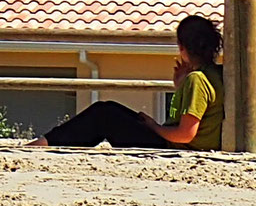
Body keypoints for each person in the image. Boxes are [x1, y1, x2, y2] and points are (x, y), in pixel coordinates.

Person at [32, 15, 224, 151]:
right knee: (109, 110)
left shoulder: (197, 79)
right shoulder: (216, 74)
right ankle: (48, 142)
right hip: (178, 143)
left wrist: (153, 126)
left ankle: (46, 144)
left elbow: (185, 134)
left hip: (173, 146)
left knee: (103, 115)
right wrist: (181, 86)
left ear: (182, 48)